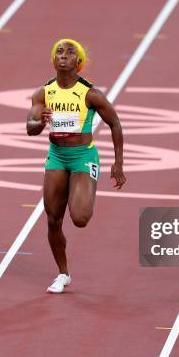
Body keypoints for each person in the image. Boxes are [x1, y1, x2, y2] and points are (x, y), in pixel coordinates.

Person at [27, 39, 126, 293]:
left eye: (70, 53)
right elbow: (30, 127)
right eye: (59, 51)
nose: (63, 55)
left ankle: (83, 190)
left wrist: (118, 163)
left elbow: (115, 123)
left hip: (83, 156)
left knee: (80, 218)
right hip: (57, 156)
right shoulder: (44, 92)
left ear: (78, 63)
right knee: (52, 219)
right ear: (53, 60)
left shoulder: (90, 93)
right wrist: (40, 123)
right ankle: (63, 274)